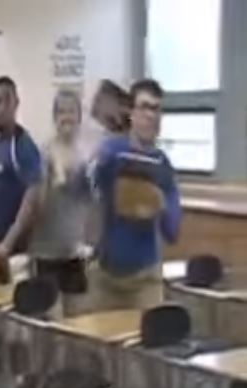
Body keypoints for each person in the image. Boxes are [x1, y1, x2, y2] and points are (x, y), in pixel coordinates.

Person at [90, 78, 181, 310]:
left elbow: (172, 232)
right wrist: (100, 164)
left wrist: (161, 204)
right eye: (144, 107)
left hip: (145, 280)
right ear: (131, 112)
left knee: (149, 333)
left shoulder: (163, 166)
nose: (151, 116)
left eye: (156, 109)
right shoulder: (111, 152)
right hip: (106, 278)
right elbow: (89, 186)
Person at [29, 89, 94, 315]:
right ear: (54, 116)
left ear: (79, 117)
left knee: (76, 319)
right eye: (62, 112)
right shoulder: (43, 153)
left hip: (74, 251)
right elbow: (36, 201)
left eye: (71, 112)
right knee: (50, 318)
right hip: (45, 252)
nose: (67, 117)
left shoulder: (86, 156)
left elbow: (91, 201)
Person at [0, 76, 42, 259]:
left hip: (12, 245)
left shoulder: (24, 146)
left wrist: (8, 243)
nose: (2, 107)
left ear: (16, 104)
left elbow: (32, 201)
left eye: (7, 100)